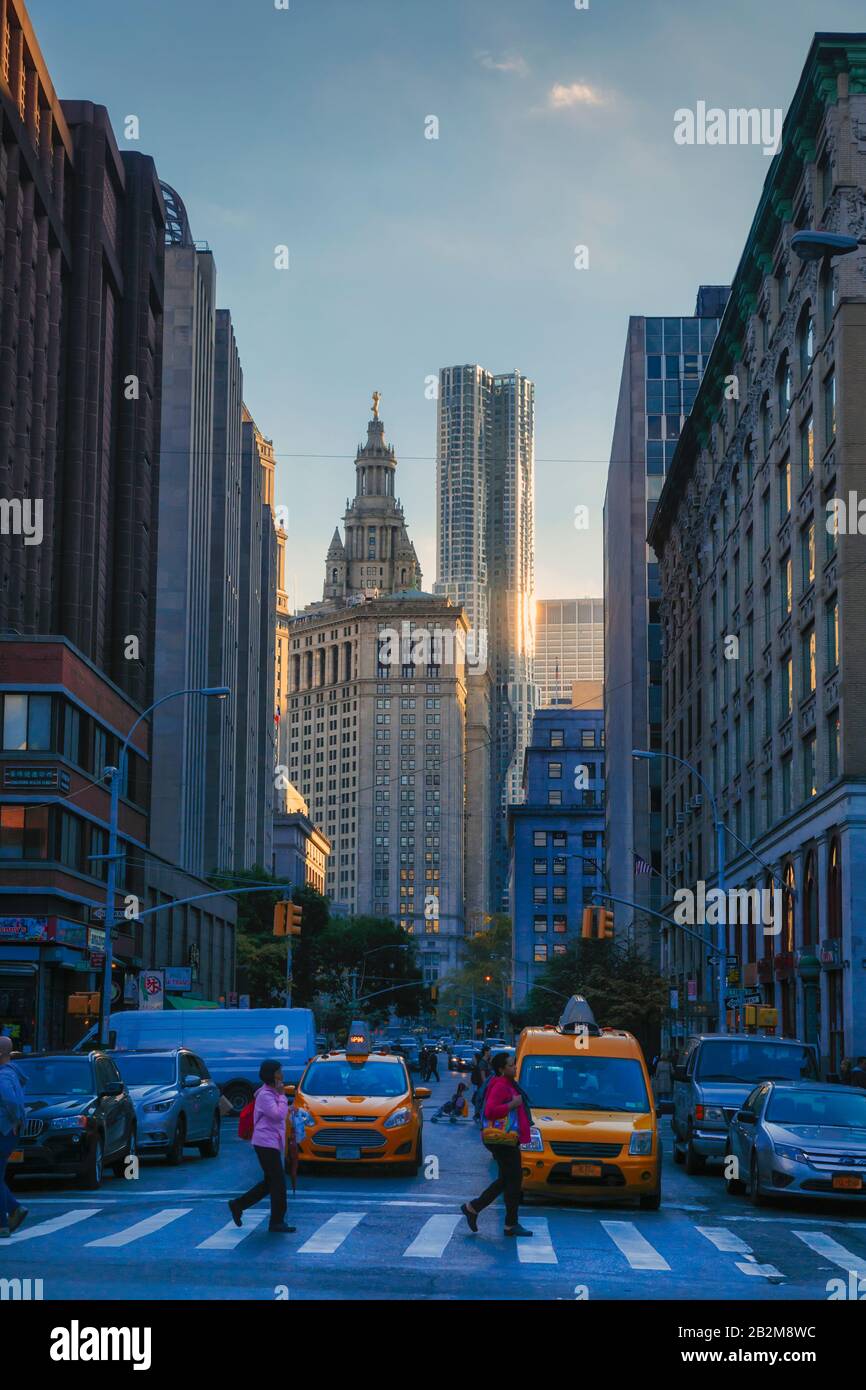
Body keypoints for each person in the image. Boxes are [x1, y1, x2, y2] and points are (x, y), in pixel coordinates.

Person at [461, 1052, 533, 1238]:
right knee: (513, 1180)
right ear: (501, 1069)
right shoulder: (500, 1085)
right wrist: (512, 1104)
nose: (515, 1068)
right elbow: (491, 1111)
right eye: (511, 1065)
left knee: (507, 1180)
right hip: (503, 1141)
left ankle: (475, 1208)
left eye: (514, 1065)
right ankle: (508, 1223)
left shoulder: (506, 1083)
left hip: (508, 1139)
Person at [229, 1060, 294, 1234]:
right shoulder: (266, 1094)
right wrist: (282, 1096)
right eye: (280, 1071)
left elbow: (281, 1113)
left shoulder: (271, 1092)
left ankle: (238, 1204)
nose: (282, 1074)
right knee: (278, 1182)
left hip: (270, 1142)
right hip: (265, 1143)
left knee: (269, 1182)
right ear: (272, 1074)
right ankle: (276, 1222)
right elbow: (277, 1115)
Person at [0, 1035, 28, 1238]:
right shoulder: (11, 1073)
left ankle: (6, 1219)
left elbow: (11, 1101)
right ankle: (12, 1211)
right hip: (8, 1131)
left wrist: (16, 1120)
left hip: (3, 1131)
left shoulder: (3, 1076)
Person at [471, 1044, 491, 1122]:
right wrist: (487, 1085)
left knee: (482, 1101)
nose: (490, 1053)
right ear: (486, 1052)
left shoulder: (487, 1061)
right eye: (489, 1051)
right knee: (481, 1101)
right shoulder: (482, 1063)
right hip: (483, 1086)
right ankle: (477, 1116)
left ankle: (480, 1115)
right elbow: (483, 1077)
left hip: (485, 1085)